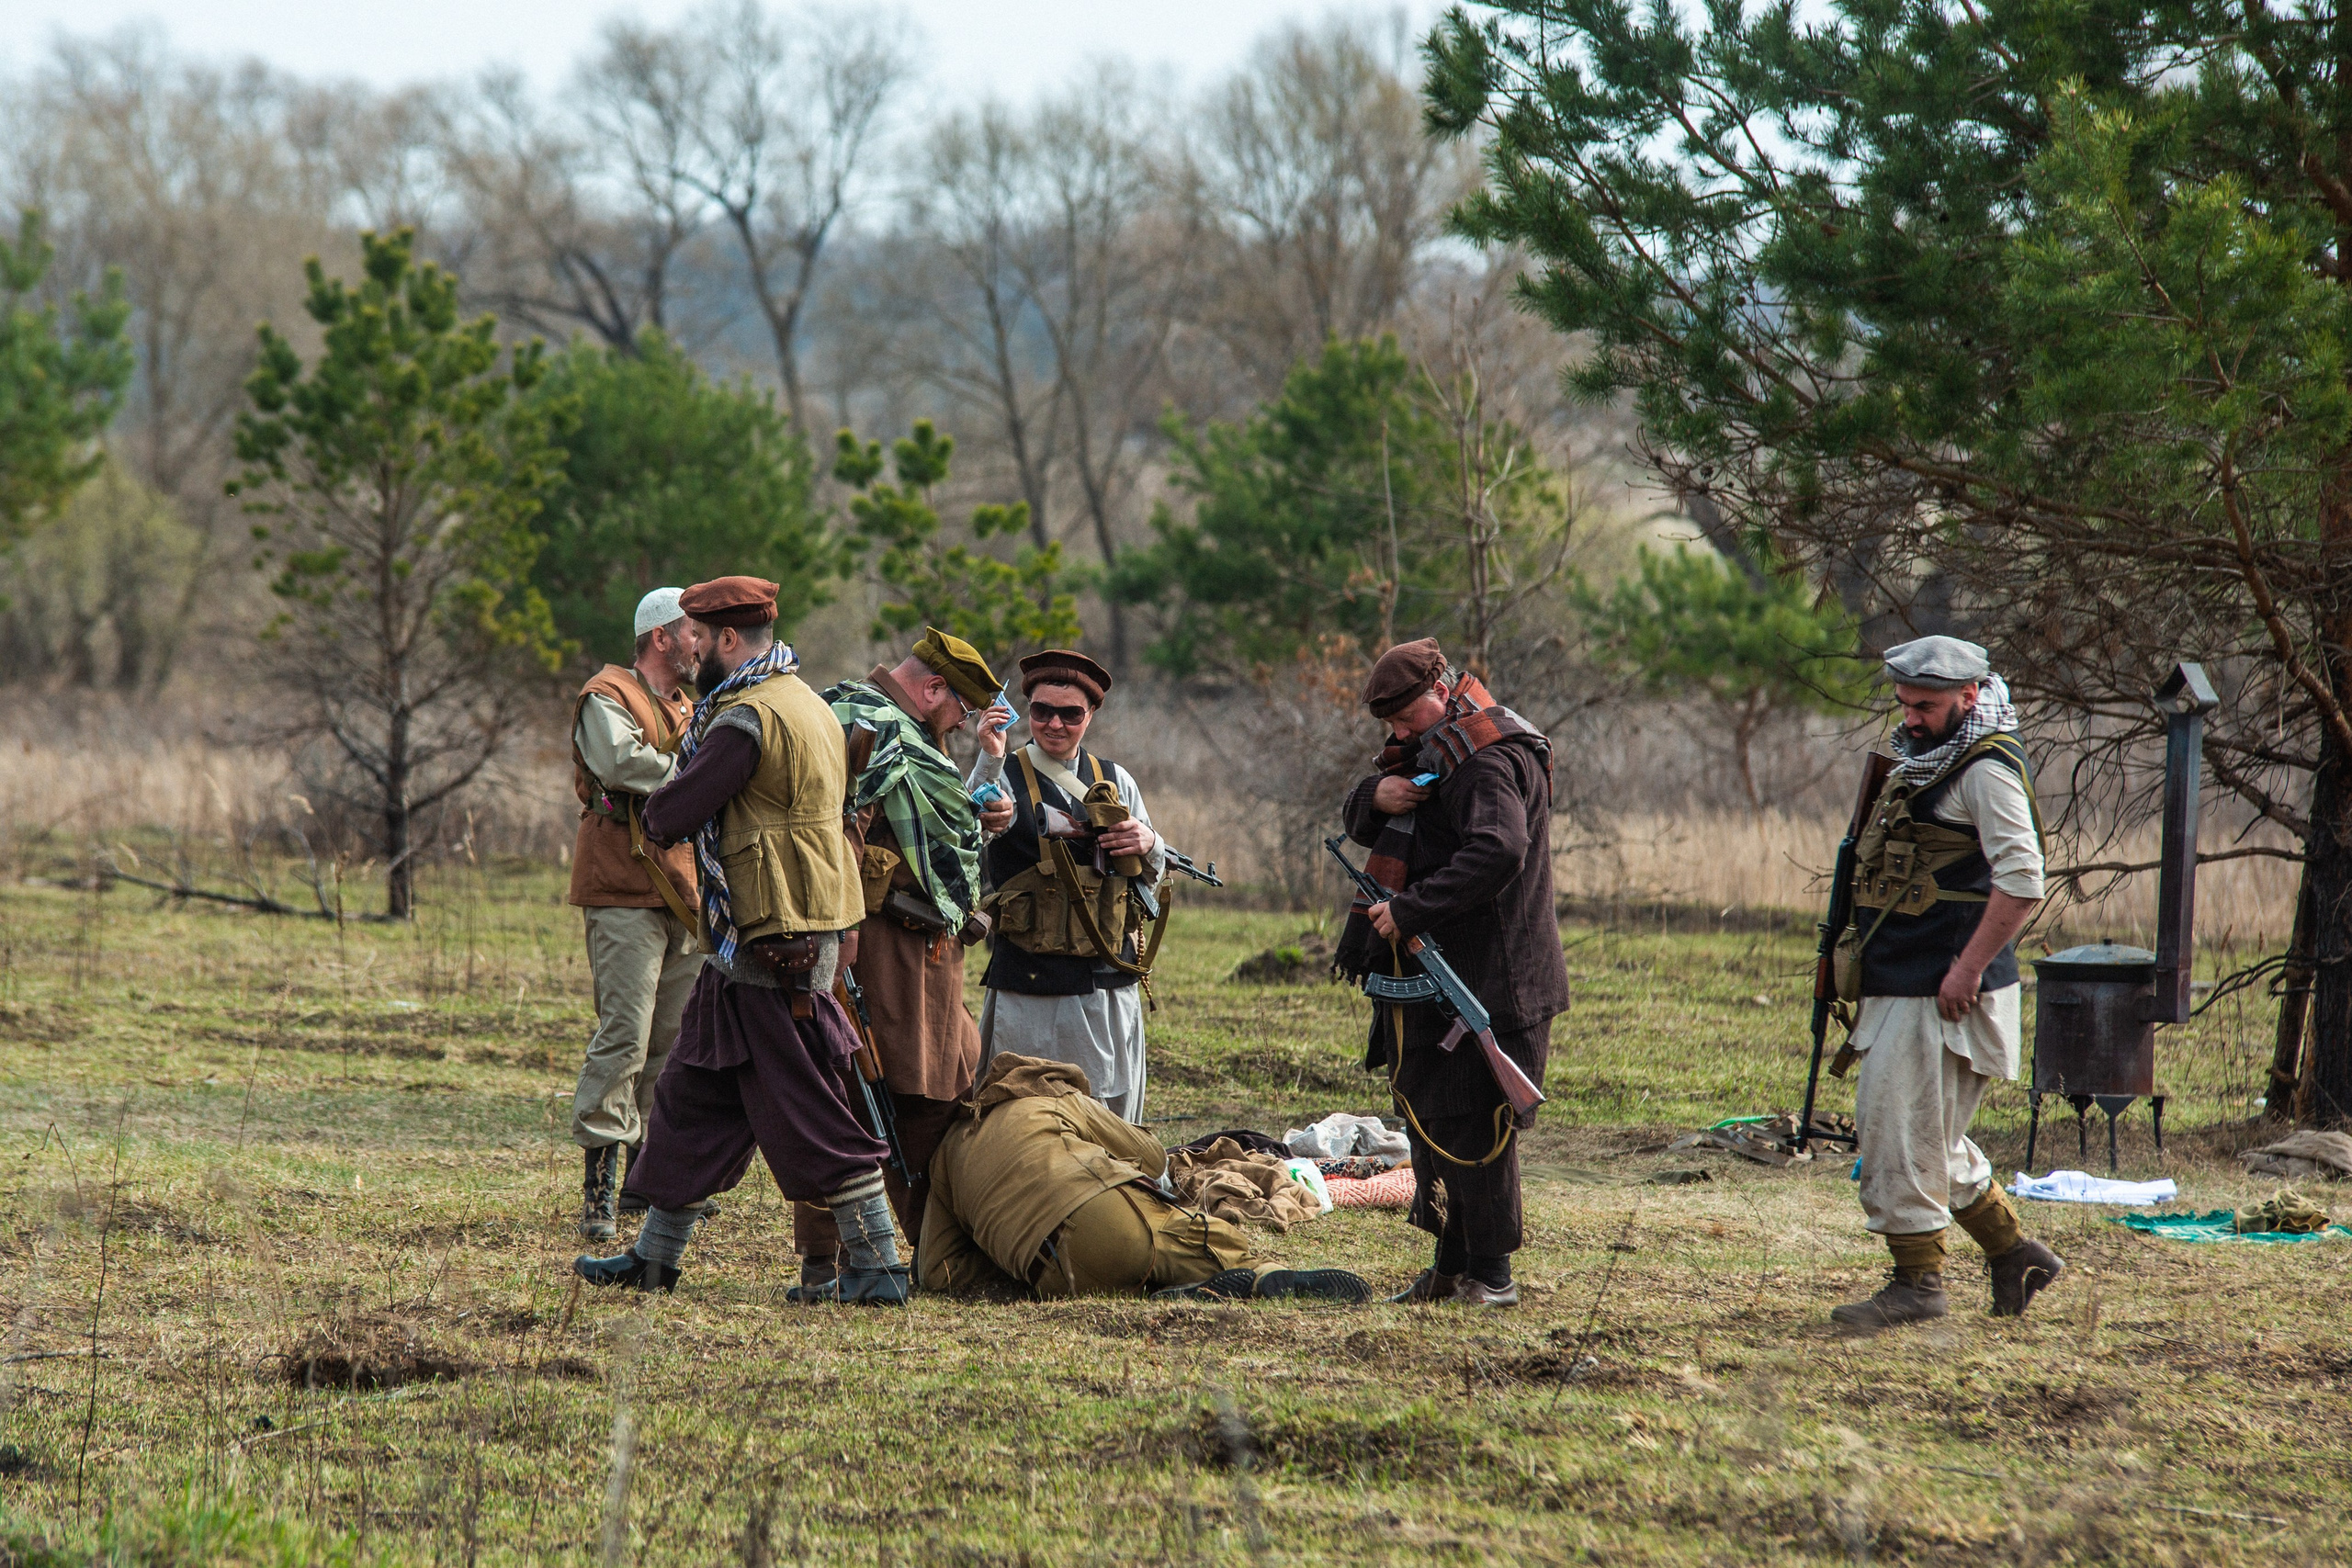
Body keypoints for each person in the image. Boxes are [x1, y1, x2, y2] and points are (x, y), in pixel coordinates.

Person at [571, 576, 904, 1303]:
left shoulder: (746, 718)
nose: (687, 649)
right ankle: (656, 1256)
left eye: (695, 635)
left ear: (726, 639)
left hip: (770, 939)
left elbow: (673, 811)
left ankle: (879, 1264)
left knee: (808, 1101)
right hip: (763, 936)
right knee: (693, 1092)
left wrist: (654, 806)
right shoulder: (805, 700)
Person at [1830, 635, 2064, 1330]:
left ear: (1971, 695)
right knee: (1923, 1137)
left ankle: (1918, 1287)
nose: (1911, 717)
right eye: (1904, 703)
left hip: (1945, 988)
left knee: (1901, 1137)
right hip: (1908, 981)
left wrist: (1965, 967)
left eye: (1926, 705)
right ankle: (2015, 1254)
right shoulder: (1932, 757)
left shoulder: (1985, 768)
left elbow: (2023, 881)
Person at [1337, 638, 1568, 1308]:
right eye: (1392, 724)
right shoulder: (1436, 747)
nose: (1398, 734)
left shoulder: (1488, 756)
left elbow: (1499, 849)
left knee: (1478, 1126)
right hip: (1443, 974)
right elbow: (1378, 816)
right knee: (1436, 1118)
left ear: (1441, 693)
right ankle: (1451, 1264)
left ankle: (1491, 1276)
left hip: (1494, 977)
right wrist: (1375, 796)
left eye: (1406, 718)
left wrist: (1409, 909)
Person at [783, 627, 1012, 1301]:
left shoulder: (911, 734)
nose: (964, 724)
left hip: (930, 951)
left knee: (934, 1089)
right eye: (960, 710)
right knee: (854, 1090)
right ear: (933, 688)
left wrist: (980, 809)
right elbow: (836, 834)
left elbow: (929, 826)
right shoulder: (864, 721)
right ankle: (829, 1263)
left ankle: (925, 1251)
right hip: (874, 948)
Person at [920, 1054, 1370, 1303]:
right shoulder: (1050, 1099)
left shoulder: (945, 1158)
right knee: (1212, 1243)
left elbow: (937, 1272)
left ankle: (1174, 1287)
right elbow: (1152, 1156)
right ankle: (1267, 1277)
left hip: (1051, 1279)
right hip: (1106, 1220)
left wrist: (1009, 1256)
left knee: (1146, 1261)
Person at [565, 586, 705, 1242]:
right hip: (622, 884)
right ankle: (599, 1188)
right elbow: (619, 762)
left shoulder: (687, 703)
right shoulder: (607, 695)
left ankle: (646, 1182)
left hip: (679, 887)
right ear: (660, 637)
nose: (701, 642)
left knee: (672, 1045)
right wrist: (696, 768)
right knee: (623, 1035)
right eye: (692, 631)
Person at [976, 649, 1165, 1122]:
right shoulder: (1000, 773)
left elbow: (1151, 879)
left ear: (1091, 715)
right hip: (1028, 984)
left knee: (1108, 1118)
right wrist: (987, 761)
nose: (1054, 724)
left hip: (1105, 982)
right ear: (1026, 712)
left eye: (1070, 714)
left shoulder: (1116, 779)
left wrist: (1149, 841)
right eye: (1041, 711)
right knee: (1020, 1114)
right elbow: (962, 839)